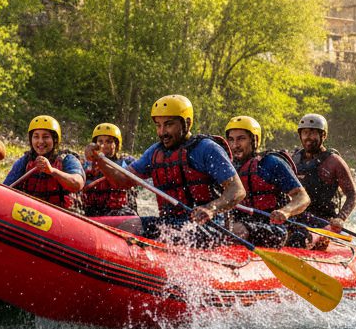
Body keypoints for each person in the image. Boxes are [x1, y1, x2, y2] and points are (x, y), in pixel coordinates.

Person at [87, 94, 245, 242]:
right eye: (158, 125)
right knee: (128, 227)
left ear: (187, 123)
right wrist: (99, 160)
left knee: (170, 235)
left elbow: (237, 191)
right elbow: (122, 181)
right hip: (169, 222)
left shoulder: (206, 148)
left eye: (168, 125)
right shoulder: (155, 152)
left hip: (207, 228)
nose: (162, 132)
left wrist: (211, 209)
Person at [224, 115, 310, 248]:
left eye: (241, 139)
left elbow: (302, 197)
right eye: (231, 139)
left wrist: (286, 211)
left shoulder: (270, 163)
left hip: (275, 229)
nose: (235, 145)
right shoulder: (227, 167)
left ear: (255, 140)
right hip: (243, 224)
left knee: (236, 230)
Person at [290, 114, 356, 234]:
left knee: (301, 238)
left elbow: (352, 194)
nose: (308, 137)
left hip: (324, 221)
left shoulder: (334, 161)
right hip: (297, 218)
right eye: (305, 133)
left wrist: (340, 218)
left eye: (313, 133)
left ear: (324, 135)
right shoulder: (294, 160)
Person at [4, 115, 85, 211]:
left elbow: (77, 184)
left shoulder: (67, 159)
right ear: (31, 140)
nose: (40, 141)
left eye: (46, 137)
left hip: (61, 215)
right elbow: (5, 189)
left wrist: (52, 171)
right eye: (36, 137)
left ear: (55, 140)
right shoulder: (24, 161)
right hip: (30, 213)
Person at [81, 122, 138, 217]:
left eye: (109, 141)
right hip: (92, 211)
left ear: (116, 145)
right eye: (100, 141)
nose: (104, 145)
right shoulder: (87, 164)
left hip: (120, 212)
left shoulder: (127, 162)